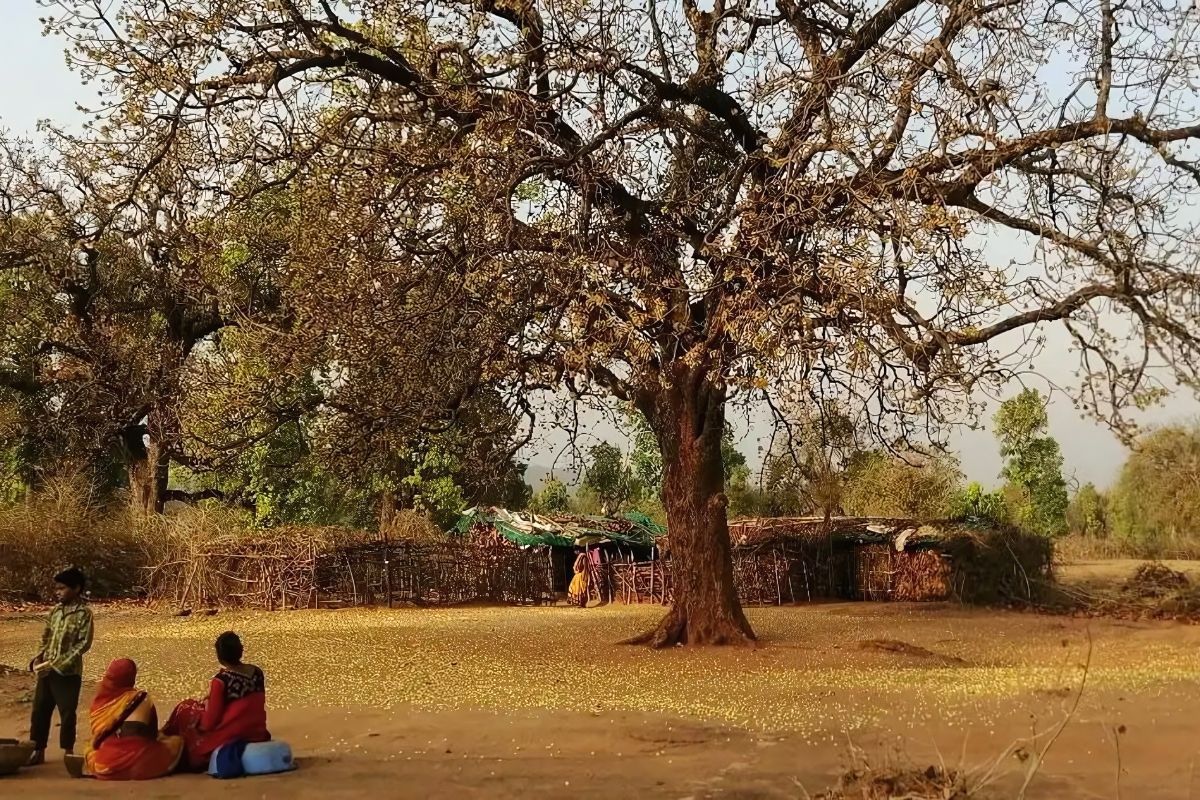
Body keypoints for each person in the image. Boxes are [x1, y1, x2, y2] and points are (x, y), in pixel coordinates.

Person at [163, 631, 270, 771]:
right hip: (258, 731)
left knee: (185, 709)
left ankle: (169, 748)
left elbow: (209, 723)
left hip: (233, 734)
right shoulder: (257, 672)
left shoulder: (220, 681)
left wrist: (202, 710)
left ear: (219, 656)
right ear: (241, 650)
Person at [27, 566, 93, 766]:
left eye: (62, 588)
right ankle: (38, 750)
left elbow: (83, 644)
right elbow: (45, 637)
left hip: (68, 673)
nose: (58, 592)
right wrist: (38, 658)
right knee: (40, 710)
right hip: (46, 671)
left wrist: (58, 664)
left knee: (67, 712)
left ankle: (68, 752)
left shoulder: (84, 613)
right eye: (57, 588)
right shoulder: (55, 612)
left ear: (76, 588)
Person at [82, 659, 184, 780]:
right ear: (131, 678)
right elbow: (152, 734)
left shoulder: (98, 705)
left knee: (89, 746)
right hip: (140, 762)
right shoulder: (141, 698)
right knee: (176, 742)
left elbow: (98, 737)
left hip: (105, 766)